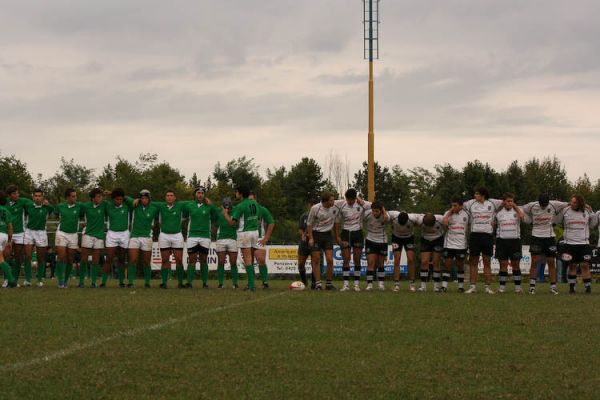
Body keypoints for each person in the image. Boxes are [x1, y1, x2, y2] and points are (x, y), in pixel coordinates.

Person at [521, 194, 568, 295]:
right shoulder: (532, 205)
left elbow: (568, 204)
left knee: (551, 262)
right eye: (542, 205)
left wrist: (585, 206)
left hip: (550, 237)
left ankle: (553, 287)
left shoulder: (554, 204)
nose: (543, 207)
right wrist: (528, 219)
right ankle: (532, 287)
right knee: (535, 261)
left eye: (545, 205)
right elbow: (522, 209)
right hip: (536, 236)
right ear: (538, 202)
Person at [463, 187, 503, 294]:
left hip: (487, 236)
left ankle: (487, 287)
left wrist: (495, 218)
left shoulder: (493, 202)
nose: (475, 196)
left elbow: (504, 203)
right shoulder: (470, 203)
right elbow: (461, 206)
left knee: (487, 262)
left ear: (483, 195)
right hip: (474, 235)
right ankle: (472, 287)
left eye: (477, 194)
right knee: (473, 261)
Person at [221, 185, 261, 291]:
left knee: (247, 260)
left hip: (245, 233)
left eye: (237, 192)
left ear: (241, 194)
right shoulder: (255, 203)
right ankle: (251, 284)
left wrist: (225, 214)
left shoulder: (241, 205)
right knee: (251, 259)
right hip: (255, 232)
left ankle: (251, 286)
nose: (236, 194)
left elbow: (232, 223)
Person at [555, 194, 598, 294]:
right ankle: (572, 287)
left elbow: (593, 224)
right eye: (571, 201)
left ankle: (588, 287)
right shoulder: (566, 210)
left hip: (583, 243)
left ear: (579, 203)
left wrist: (591, 211)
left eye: (574, 202)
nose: (572, 204)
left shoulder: (587, 211)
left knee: (585, 265)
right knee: (572, 265)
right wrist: (562, 207)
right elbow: (556, 219)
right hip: (569, 243)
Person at [335, 188, 370, 292]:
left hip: (358, 233)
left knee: (357, 259)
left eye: (351, 200)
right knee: (346, 259)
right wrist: (337, 236)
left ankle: (356, 284)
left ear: (355, 198)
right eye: (348, 200)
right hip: (345, 233)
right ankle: (345, 284)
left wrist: (362, 202)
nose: (349, 202)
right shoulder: (342, 204)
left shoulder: (361, 204)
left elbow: (373, 205)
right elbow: (337, 222)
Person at [183, 186, 218, 289]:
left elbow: (215, 216)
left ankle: (205, 283)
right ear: (195, 194)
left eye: (202, 193)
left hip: (205, 236)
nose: (200, 195)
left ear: (204, 195)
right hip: (192, 236)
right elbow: (184, 216)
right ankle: (189, 283)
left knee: (203, 260)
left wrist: (211, 204)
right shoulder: (189, 205)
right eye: (198, 193)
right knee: (192, 259)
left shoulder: (209, 206)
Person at [306, 191, 339, 290]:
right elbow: (309, 224)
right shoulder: (315, 208)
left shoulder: (335, 205)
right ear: (325, 201)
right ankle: (318, 284)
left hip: (328, 235)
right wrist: (311, 238)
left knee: (330, 259)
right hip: (316, 235)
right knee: (316, 259)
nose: (334, 201)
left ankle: (329, 283)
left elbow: (348, 200)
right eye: (332, 200)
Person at [128, 190, 160, 288]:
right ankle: (130, 282)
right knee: (133, 260)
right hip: (134, 236)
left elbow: (157, 221)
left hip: (147, 237)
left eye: (146, 198)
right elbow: (124, 197)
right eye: (142, 198)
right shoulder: (135, 205)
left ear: (149, 199)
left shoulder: (154, 208)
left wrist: (154, 225)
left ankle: (147, 283)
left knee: (146, 261)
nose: (144, 200)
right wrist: (135, 199)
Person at [155, 190, 187, 289]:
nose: (169, 197)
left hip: (177, 235)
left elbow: (193, 202)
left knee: (179, 260)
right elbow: (148, 201)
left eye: (171, 195)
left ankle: (180, 283)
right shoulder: (160, 205)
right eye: (167, 195)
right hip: (164, 235)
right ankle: (164, 283)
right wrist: (138, 199)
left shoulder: (180, 205)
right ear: (165, 197)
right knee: (164, 260)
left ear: (175, 197)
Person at [494, 193, 525, 293]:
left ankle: (518, 288)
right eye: (508, 201)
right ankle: (502, 288)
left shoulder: (517, 211)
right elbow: (493, 224)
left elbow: (522, 219)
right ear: (504, 202)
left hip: (515, 241)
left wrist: (515, 206)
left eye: (512, 201)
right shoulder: (498, 213)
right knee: (503, 265)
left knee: (516, 264)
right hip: (501, 241)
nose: (510, 203)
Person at [22, 188, 53, 287]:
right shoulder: (28, 205)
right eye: (36, 196)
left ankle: (40, 279)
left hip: (41, 233)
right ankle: (27, 280)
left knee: (41, 257)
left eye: (39, 196)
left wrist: (48, 204)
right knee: (27, 256)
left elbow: (54, 210)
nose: (37, 198)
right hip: (29, 232)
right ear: (33, 197)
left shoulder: (47, 207)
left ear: (42, 197)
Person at [104, 188, 134, 288]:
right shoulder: (108, 205)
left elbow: (131, 200)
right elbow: (98, 198)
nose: (118, 201)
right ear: (113, 199)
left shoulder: (127, 206)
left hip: (124, 234)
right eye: (116, 199)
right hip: (111, 234)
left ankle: (121, 282)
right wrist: (111, 194)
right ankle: (103, 282)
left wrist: (114, 192)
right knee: (109, 258)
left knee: (122, 258)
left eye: (120, 199)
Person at [4, 185, 33, 285]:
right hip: (7, 233)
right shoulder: (4, 202)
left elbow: (34, 204)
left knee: (18, 256)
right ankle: (7, 279)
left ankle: (15, 280)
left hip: (20, 233)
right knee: (6, 256)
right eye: (14, 193)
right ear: (9, 195)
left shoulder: (23, 201)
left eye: (17, 193)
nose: (17, 195)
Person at [54, 188, 83, 288]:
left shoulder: (80, 206)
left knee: (70, 259)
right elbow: (56, 215)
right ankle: (60, 280)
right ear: (67, 197)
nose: (75, 198)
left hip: (73, 234)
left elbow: (83, 215)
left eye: (76, 196)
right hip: (61, 233)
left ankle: (66, 281)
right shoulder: (60, 206)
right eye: (73, 196)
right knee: (61, 256)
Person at [80, 188, 108, 288]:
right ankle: (81, 281)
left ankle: (93, 282)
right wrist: (83, 223)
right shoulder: (85, 206)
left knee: (96, 260)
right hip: (88, 234)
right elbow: (79, 214)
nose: (100, 198)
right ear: (92, 198)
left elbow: (115, 198)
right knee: (84, 258)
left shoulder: (104, 205)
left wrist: (107, 193)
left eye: (101, 196)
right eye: (98, 196)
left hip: (99, 235)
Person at [386, 211, 419, 292]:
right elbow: (384, 214)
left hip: (409, 238)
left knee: (410, 259)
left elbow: (422, 220)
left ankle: (412, 284)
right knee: (397, 259)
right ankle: (396, 284)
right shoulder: (393, 215)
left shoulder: (413, 218)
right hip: (396, 238)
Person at [442, 198, 469, 292]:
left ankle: (461, 287)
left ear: (461, 206)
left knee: (460, 265)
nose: (453, 207)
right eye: (452, 205)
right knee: (447, 264)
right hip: (449, 243)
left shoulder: (467, 214)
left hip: (461, 244)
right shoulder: (448, 213)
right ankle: (444, 286)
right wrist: (450, 212)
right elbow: (444, 223)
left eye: (455, 205)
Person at [248, 192, 275, 289]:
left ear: (256, 199)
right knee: (249, 261)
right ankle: (250, 283)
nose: (250, 202)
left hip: (259, 238)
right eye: (249, 200)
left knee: (261, 259)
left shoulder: (262, 209)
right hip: (247, 238)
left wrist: (266, 238)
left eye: (252, 199)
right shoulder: (244, 209)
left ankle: (265, 282)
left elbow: (271, 223)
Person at [362, 201, 389, 291]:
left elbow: (385, 219)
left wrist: (383, 210)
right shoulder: (367, 214)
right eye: (373, 211)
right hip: (370, 240)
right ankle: (369, 284)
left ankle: (381, 284)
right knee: (370, 263)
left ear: (381, 211)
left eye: (377, 211)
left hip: (382, 241)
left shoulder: (385, 215)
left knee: (380, 263)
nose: (374, 213)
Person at [416, 213, 445, 292]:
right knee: (424, 262)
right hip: (425, 240)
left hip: (438, 239)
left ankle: (436, 286)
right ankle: (423, 286)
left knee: (436, 262)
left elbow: (448, 223)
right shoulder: (419, 220)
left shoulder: (441, 219)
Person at [215, 197, 239, 289]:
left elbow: (233, 223)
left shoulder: (236, 210)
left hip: (232, 239)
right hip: (221, 239)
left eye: (228, 207)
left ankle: (235, 283)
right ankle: (220, 283)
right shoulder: (218, 210)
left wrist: (226, 214)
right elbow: (212, 207)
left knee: (233, 262)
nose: (227, 209)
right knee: (221, 262)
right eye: (225, 207)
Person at [297, 199, 316, 287]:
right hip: (304, 243)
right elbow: (300, 229)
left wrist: (311, 235)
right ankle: (304, 282)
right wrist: (303, 235)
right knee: (300, 264)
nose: (312, 207)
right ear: (309, 205)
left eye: (314, 205)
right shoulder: (304, 216)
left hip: (315, 242)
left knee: (314, 263)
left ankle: (314, 283)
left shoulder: (319, 216)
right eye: (311, 205)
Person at [0, 191, 17, 287]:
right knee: (3, 258)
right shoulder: (6, 211)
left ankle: (11, 279)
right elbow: (10, 226)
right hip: (4, 236)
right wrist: (9, 241)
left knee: (1, 259)